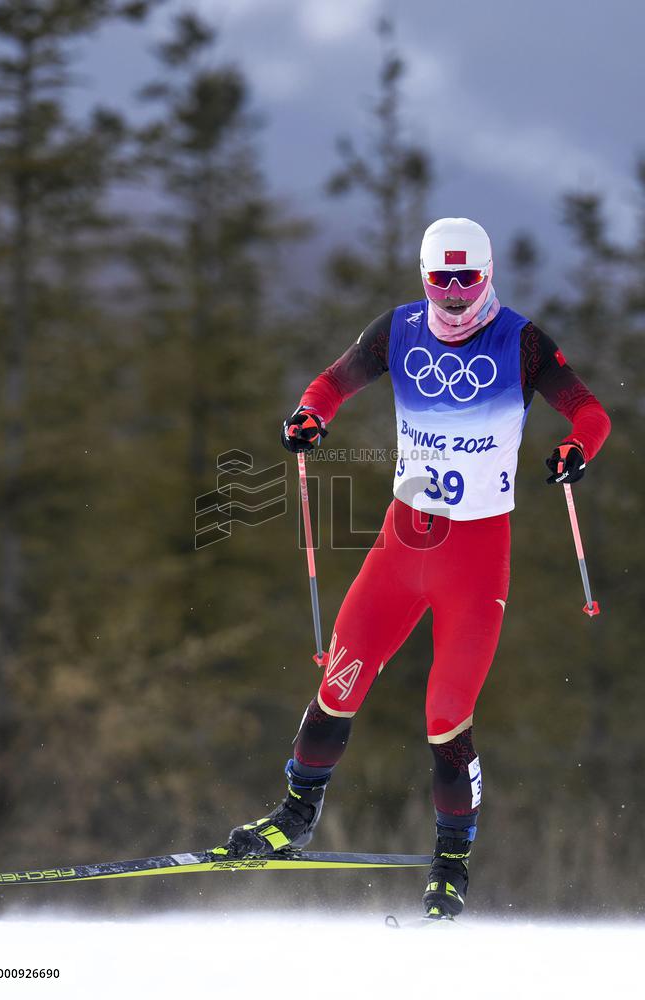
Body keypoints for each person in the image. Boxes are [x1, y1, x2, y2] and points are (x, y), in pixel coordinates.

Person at [214, 217, 611, 918]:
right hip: (402, 546)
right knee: (339, 681)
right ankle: (294, 818)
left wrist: (578, 448)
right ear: (424, 278)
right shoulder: (397, 330)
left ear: (488, 275)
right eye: (440, 280)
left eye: (468, 279)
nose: (454, 295)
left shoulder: (520, 342)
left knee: (446, 717)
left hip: (475, 559)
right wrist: (310, 415)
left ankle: (451, 867)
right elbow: (332, 382)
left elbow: (589, 412)